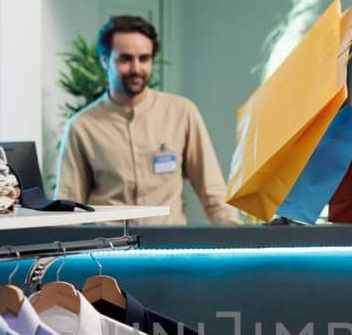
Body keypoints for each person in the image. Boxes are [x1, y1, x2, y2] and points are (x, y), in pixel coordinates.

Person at [51, 15, 238, 225]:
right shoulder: (82, 126)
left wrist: (239, 241)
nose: (136, 68)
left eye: (144, 58)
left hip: (168, 250)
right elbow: (68, 207)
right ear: (105, 61)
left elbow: (212, 191)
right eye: (125, 59)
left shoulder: (182, 113)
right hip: (110, 252)